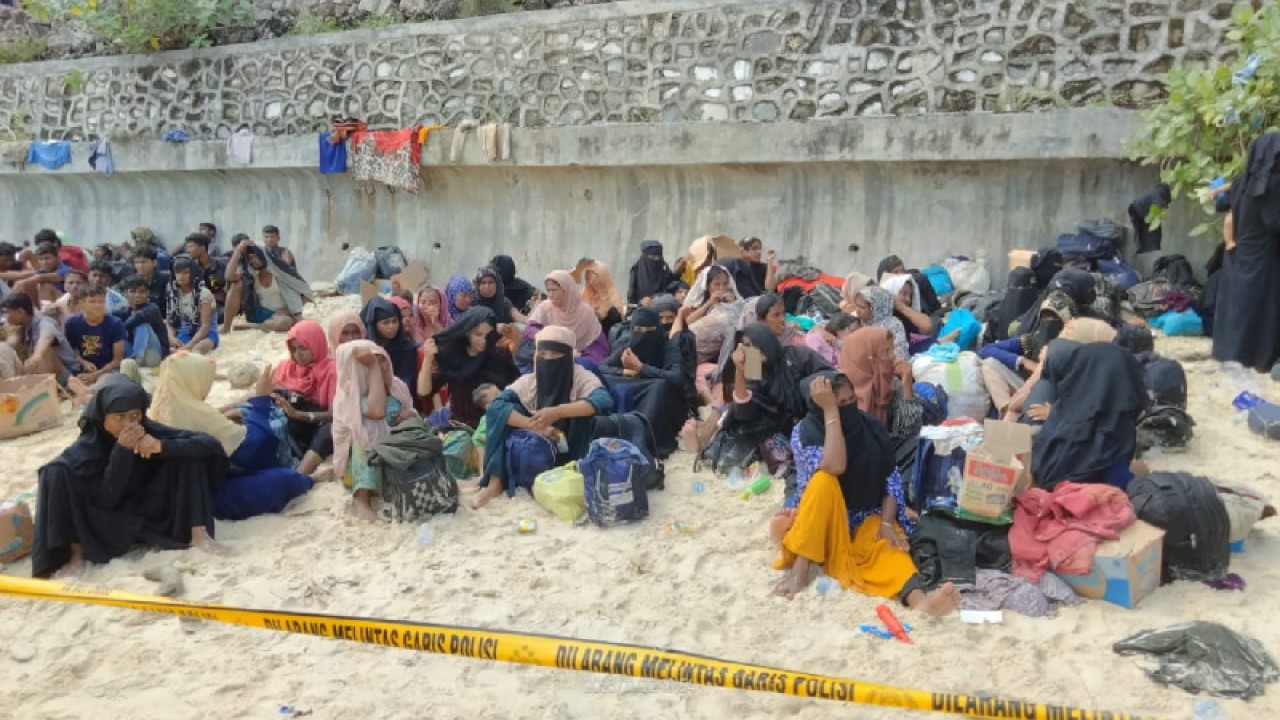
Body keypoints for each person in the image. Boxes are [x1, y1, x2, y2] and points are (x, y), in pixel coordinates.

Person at [771, 372, 960, 616]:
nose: (849, 408)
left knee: (889, 548)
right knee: (823, 480)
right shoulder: (805, 432)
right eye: (840, 404)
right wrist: (831, 412)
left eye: (852, 400)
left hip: (866, 515)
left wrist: (887, 522)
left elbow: (890, 480)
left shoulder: (869, 426)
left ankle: (921, 602)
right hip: (823, 520)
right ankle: (800, 569)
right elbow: (835, 465)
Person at [31, 375, 226, 578]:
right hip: (107, 521)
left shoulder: (148, 430)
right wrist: (122, 451)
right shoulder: (88, 447)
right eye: (119, 417)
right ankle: (76, 554)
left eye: (134, 415)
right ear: (102, 416)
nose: (128, 424)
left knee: (188, 454)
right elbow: (108, 497)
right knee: (56, 472)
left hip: (151, 511)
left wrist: (162, 446)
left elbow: (209, 444)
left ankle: (199, 535)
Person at [150, 354, 313, 521]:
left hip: (185, 493)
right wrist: (261, 402)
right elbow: (250, 446)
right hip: (207, 498)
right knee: (285, 479)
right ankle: (309, 479)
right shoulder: (195, 413)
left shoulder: (160, 410)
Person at [473, 326, 614, 509]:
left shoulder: (580, 376)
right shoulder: (531, 380)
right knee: (502, 412)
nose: (547, 359)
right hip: (540, 439)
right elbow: (497, 407)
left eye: (555, 354)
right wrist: (535, 425)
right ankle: (495, 482)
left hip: (573, 442)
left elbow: (604, 400)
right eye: (543, 353)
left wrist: (557, 412)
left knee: (589, 412)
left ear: (568, 356)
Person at [1031, 341, 1147, 491]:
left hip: (1036, 496)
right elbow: (1116, 483)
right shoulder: (1116, 428)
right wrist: (1137, 475)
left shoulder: (1060, 412)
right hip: (1079, 502)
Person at [716, 323, 828, 476]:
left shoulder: (798, 356)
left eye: (752, 345)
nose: (749, 350)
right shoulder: (754, 367)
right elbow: (744, 413)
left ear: (765, 343)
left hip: (812, 418)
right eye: (746, 346)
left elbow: (829, 376)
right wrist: (740, 371)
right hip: (778, 429)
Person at [1211, 133, 1280, 373]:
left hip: (1237, 254)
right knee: (1262, 309)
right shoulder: (1273, 185)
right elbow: (1274, 223)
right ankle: (1259, 359)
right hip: (1263, 257)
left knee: (1238, 308)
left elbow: (1221, 204)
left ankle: (1232, 355)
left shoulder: (1244, 181)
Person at [331, 340, 416, 522]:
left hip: (396, 451)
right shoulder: (349, 394)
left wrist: (410, 415)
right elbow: (377, 411)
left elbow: (414, 415)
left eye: (381, 359)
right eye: (370, 362)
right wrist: (373, 368)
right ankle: (362, 499)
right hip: (363, 464)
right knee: (366, 433)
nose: (381, 366)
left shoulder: (396, 386)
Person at [602, 307, 689, 457]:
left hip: (665, 400)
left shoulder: (669, 346)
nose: (643, 334)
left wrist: (642, 368)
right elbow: (602, 367)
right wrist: (624, 372)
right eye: (638, 329)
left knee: (659, 386)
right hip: (637, 385)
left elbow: (678, 377)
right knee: (609, 380)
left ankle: (643, 437)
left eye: (649, 329)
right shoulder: (629, 347)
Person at [419, 306, 519, 429]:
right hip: (462, 427)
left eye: (488, 335)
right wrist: (427, 359)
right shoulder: (454, 358)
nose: (483, 340)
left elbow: (517, 390)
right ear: (467, 332)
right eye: (478, 334)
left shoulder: (500, 355)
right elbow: (424, 392)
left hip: (497, 424)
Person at [270, 321, 339, 478]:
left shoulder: (331, 370)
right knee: (274, 397)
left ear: (316, 344)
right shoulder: (287, 367)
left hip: (319, 423)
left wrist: (300, 415)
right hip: (295, 424)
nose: (297, 354)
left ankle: (300, 475)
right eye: (293, 349)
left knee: (332, 428)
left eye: (303, 348)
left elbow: (335, 413)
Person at [840, 326, 919, 446]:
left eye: (892, 350)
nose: (893, 356)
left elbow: (908, 431)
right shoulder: (843, 396)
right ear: (866, 357)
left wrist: (907, 383)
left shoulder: (889, 382)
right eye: (886, 351)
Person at [524, 270, 609, 364]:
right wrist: (548, 338)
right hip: (550, 353)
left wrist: (574, 357)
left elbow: (597, 346)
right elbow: (530, 328)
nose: (550, 295)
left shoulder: (585, 312)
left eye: (554, 290)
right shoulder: (545, 307)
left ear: (566, 290)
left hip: (580, 357)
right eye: (548, 290)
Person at [224, 241, 305, 332]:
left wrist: (288, 311)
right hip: (259, 313)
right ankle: (226, 328)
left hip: (281, 315)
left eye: (256, 257)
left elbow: (303, 296)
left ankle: (257, 327)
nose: (253, 261)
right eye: (250, 258)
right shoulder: (251, 274)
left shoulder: (282, 272)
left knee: (284, 322)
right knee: (236, 285)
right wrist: (238, 250)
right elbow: (229, 276)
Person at [0, 292, 81, 383]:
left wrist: (36, 357)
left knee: (45, 352)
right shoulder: (24, 328)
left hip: (69, 375)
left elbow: (47, 336)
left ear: (20, 312)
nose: (5, 317)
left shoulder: (44, 321)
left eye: (7, 312)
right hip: (45, 375)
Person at [675, 264, 745, 364]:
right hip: (694, 352)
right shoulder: (697, 302)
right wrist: (709, 303)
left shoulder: (732, 302)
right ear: (707, 286)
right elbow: (685, 323)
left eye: (725, 284)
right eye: (716, 284)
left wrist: (733, 304)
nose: (721, 288)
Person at [64, 285, 126, 387]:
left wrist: (95, 375)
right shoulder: (72, 323)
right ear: (82, 304)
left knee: (103, 382)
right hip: (82, 369)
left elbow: (117, 360)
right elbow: (70, 351)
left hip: (108, 370)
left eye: (101, 301)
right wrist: (83, 362)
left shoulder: (115, 323)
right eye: (92, 302)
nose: (98, 305)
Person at [362, 296, 420, 396]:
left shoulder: (406, 347)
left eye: (394, 321)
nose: (392, 326)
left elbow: (404, 384)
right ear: (374, 325)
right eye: (386, 322)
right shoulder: (364, 347)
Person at [115, 275, 170, 368]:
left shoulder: (152, 309)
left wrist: (121, 329)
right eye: (133, 291)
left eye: (141, 292)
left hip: (153, 354)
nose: (137, 295)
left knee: (142, 325)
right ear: (125, 293)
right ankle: (129, 361)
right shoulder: (122, 312)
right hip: (130, 354)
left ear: (148, 293)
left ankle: (136, 360)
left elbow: (136, 318)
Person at [165, 258, 218, 355]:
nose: (181, 276)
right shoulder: (172, 292)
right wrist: (171, 339)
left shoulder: (203, 293)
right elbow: (169, 322)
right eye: (178, 272)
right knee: (170, 352)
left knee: (196, 351)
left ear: (192, 274)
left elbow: (205, 326)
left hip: (206, 334)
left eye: (186, 273)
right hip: (185, 331)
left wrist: (191, 344)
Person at [854, 286, 910, 360]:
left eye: (862, 307)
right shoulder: (858, 322)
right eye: (856, 306)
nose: (857, 310)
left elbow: (900, 351)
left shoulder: (893, 324)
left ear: (876, 308)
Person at [573, 259, 626, 338]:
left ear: (603, 278)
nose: (591, 282)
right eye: (588, 278)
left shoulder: (612, 295)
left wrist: (602, 292)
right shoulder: (583, 293)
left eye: (594, 278)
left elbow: (616, 322)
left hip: (606, 338)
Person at [184, 234, 228, 314]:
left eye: (191, 247)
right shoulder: (191, 267)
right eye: (187, 247)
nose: (188, 250)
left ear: (202, 248)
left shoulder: (222, 264)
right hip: (200, 305)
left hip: (221, 306)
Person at [627, 240, 674, 307]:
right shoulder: (636, 270)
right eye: (653, 257)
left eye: (659, 257)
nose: (656, 259)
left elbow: (671, 289)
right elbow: (631, 296)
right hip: (640, 310)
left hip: (662, 310)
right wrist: (640, 303)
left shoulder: (664, 269)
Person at [131, 245, 172, 318]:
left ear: (154, 263)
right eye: (137, 262)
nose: (140, 266)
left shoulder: (166, 279)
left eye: (144, 262)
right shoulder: (131, 281)